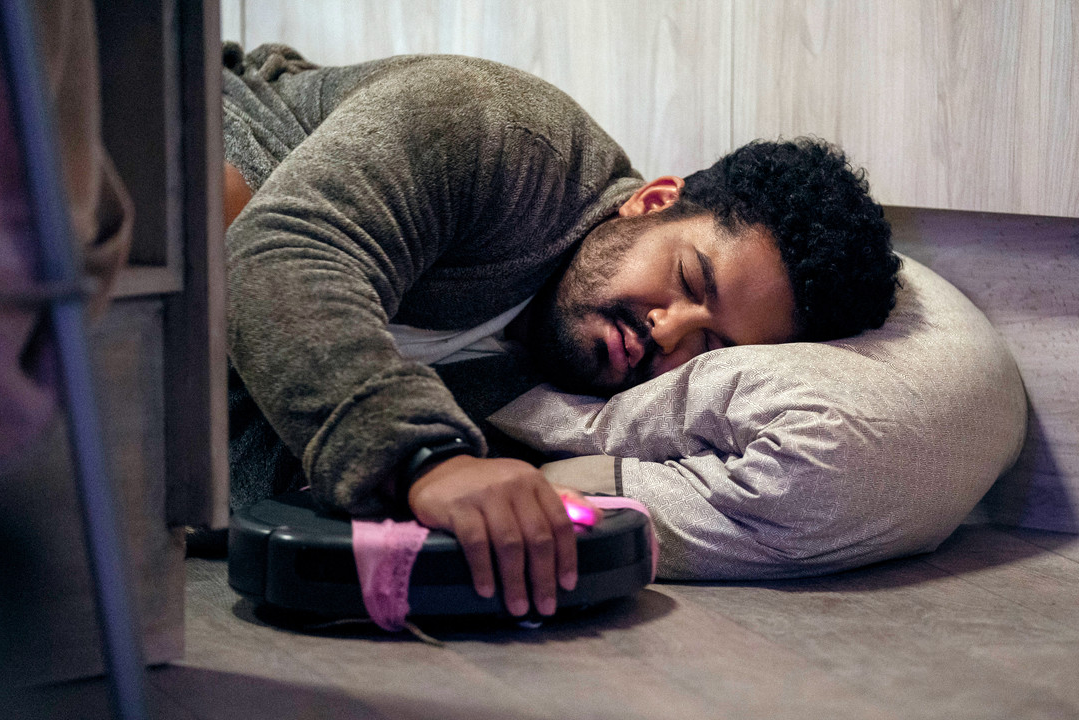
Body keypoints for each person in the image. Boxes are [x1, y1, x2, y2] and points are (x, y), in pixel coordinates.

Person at [222, 44, 900, 618]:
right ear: (654, 201)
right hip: (197, 124)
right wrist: (424, 460)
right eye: (689, 281)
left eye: (714, 345)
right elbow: (273, 254)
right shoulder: (499, 134)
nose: (669, 335)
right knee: (219, 207)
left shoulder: (573, 393)